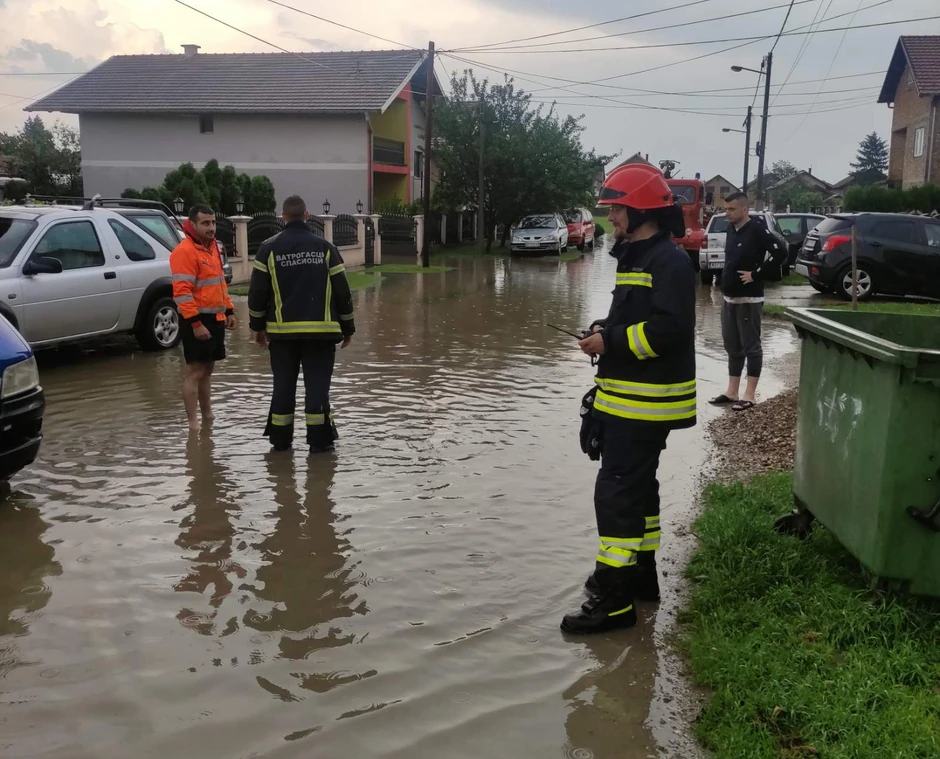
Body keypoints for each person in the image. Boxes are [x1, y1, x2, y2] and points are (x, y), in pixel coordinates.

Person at [562, 163, 697, 635]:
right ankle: (640, 578)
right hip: (630, 400)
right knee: (639, 489)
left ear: (640, 209)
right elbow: (637, 317)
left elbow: (671, 331)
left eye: (617, 208)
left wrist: (611, 344)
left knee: (616, 493)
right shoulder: (638, 256)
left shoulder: (668, 261)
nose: (611, 217)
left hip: (644, 404)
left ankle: (613, 601)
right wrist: (605, 329)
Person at [247, 195, 355, 453]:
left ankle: (280, 442)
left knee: (282, 387)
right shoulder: (326, 248)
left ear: (282, 217)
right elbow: (343, 293)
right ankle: (320, 443)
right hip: (321, 334)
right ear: (307, 215)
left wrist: (257, 327)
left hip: (282, 336)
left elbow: (257, 294)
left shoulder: (267, 249)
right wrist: (348, 328)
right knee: (317, 388)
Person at [709, 192, 787, 412]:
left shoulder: (757, 229)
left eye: (732, 209)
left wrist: (757, 274)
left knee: (750, 346)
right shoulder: (731, 229)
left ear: (745, 209)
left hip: (749, 298)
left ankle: (749, 395)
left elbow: (780, 253)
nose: (728, 213)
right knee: (732, 346)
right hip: (729, 297)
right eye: (726, 209)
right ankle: (732, 391)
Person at [170, 205, 235, 431]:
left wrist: (228, 310)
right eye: (205, 223)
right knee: (195, 370)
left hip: (214, 318)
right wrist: (195, 324)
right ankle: (193, 423)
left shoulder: (213, 248)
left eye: (213, 222)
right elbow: (182, 292)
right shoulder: (184, 251)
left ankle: (208, 416)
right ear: (193, 224)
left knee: (208, 370)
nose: (211, 227)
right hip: (196, 320)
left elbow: (219, 283)